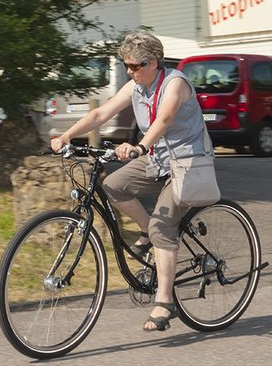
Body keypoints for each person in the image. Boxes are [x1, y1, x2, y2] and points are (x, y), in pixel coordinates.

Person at [50, 32, 212, 332]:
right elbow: (101, 112)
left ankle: (165, 302)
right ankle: (147, 230)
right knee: (113, 185)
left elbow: (163, 121)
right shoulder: (137, 86)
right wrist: (67, 135)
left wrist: (139, 147)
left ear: (153, 63)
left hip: (188, 162)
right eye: (126, 65)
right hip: (158, 158)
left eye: (134, 66)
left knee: (163, 226)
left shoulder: (174, 83)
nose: (129, 71)